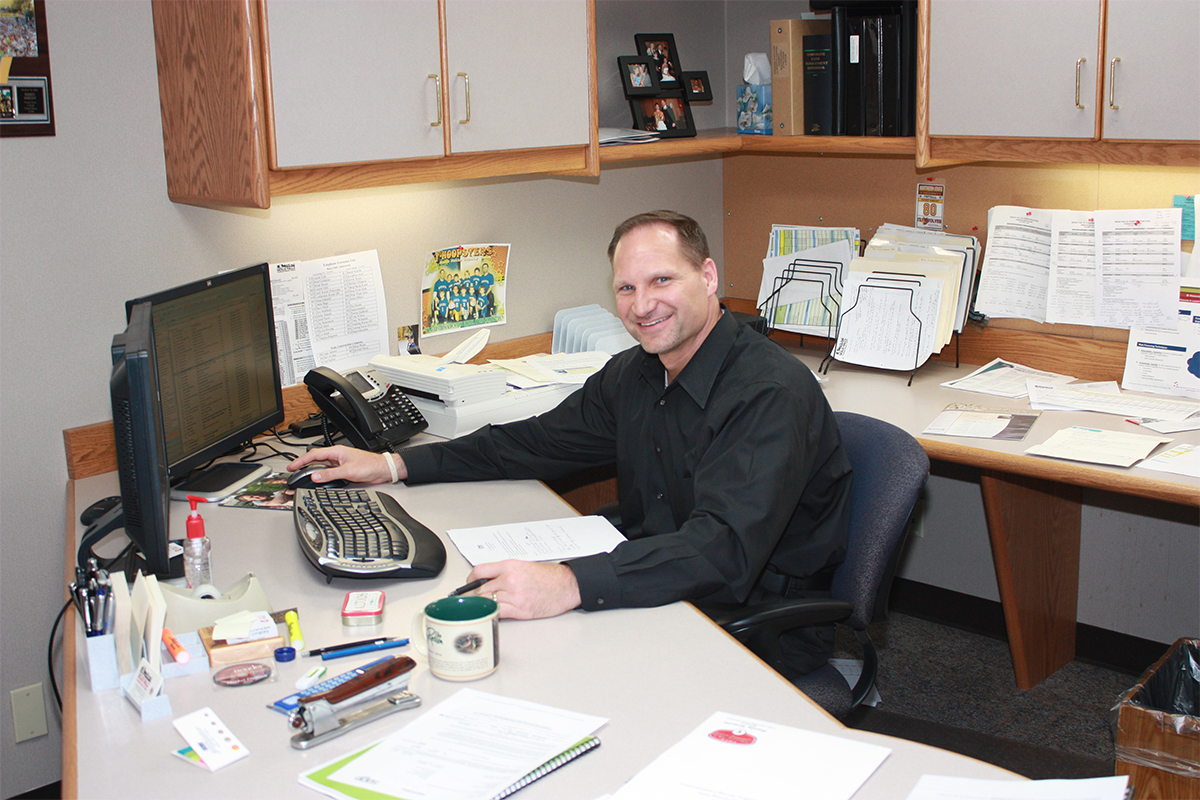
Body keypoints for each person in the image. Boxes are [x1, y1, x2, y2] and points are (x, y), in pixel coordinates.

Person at [289, 210, 853, 677]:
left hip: (750, 620)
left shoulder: (767, 394)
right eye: (626, 288)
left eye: (662, 281)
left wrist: (568, 583)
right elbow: (534, 443)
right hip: (664, 577)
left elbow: (721, 549)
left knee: (538, 668)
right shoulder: (636, 373)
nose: (641, 305)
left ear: (707, 277)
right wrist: (393, 464)